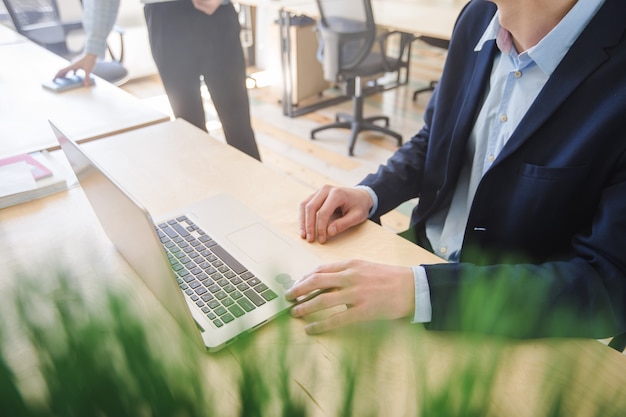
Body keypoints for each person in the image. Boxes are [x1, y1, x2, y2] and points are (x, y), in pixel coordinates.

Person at [286, 0, 626, 340]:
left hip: (511, 324)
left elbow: (610, 286)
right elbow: (435, 137)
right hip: (415, 262)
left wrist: (422, 292)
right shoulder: (478, 16)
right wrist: (370, 192)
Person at [56, 0, 261, 161]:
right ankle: (204, 202)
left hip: (217, 14)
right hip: (165, 19)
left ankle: (261, 201)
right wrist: (93, 47)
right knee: (189, 126)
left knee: (238, 124)